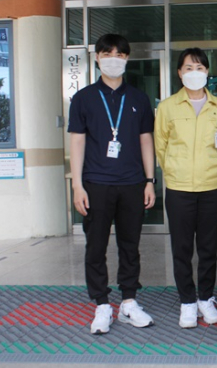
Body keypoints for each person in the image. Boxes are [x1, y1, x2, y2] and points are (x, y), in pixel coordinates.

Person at [68, 34, 156, 335]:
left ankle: (129, 302)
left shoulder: (139, 99)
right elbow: (77, 142)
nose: (113, 59)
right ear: (96, 58)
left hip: (133, 183)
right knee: (96, 246)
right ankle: (102, 304)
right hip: (96, 184)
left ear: (127, 59)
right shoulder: (83, 98)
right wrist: (77, 185)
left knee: (130, 246)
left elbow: (146, 141)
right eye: (107, 54)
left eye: (119, 54)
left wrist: (150, 181)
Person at [154, 48, 217, 329]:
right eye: (188, 67)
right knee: (182, 247)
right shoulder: (168, 107)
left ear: (207, 72)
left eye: (199, 67)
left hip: (211, 185)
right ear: (179, 72)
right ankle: (187, 301)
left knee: (208, 247)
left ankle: (206, 298)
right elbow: (160, 145)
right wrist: (174, 171)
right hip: (179, 187)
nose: (194, 72)